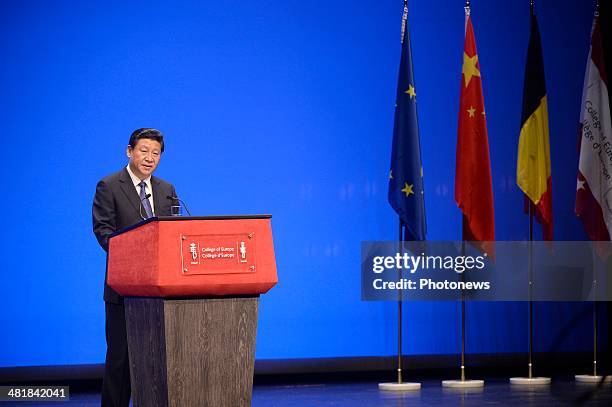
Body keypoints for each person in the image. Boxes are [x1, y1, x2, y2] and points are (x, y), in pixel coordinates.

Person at [92, 128, 176, 407]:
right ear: (129, 151)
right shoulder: (109, 185)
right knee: (120, 360)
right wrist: (133, 256)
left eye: (155, 153)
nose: (149, 158)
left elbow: (175, 233)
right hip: (123, 289)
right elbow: (103, 231)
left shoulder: (166, 190)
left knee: (155, 360)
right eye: (144, 151)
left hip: (160, 292)